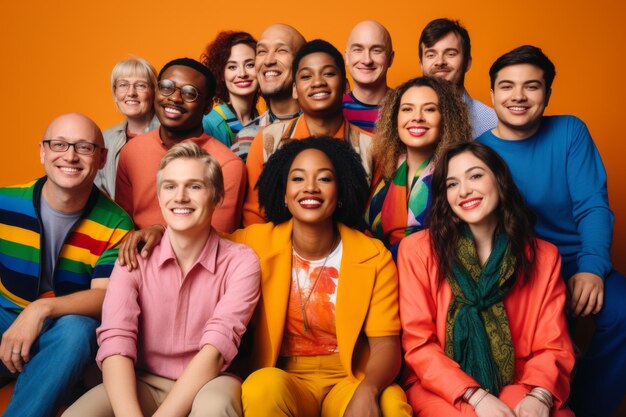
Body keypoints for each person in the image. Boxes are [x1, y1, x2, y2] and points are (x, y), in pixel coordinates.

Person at [476, 45, 626, 417]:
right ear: (492, 93)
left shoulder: (570, 131)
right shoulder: (479, 152)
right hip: (518, 269)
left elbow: (592, 203)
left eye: (532, 86)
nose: (518, 97)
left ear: (547, 94)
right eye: (507, 86)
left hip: (575, 260)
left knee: (623, 312)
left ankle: (589, 406)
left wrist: (592, 267)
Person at [63, 143, 260, 417]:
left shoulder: (241, 262)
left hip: (209, 382)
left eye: (194, 186)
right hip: (143, 380)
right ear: (159, 195)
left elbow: (216, 350)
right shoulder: (134, 256)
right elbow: (116, 341)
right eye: (170, 186)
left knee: (214, 408)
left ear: (216, 197)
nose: (180, 197)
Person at [228, 137, 412, 417]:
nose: (310, 187)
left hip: (349, 377)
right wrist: (155, 231)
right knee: (260, 389)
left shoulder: (373, 254)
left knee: (391, 402)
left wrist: (368, 389)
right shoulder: (255, 243)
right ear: (283, 193)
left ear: (340, 192)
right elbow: (201, 242)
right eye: (298, 178)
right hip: (285, 377)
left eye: (324, 179)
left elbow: (386, 345)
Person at [398, 142, 575, 417]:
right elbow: (419, 344)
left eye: (475, 176)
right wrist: (477, 397)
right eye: (452, 184)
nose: (465, 190)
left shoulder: (543, 256)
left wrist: (540, 395)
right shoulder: (417, 251)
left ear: (500, 180)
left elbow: (553, 344)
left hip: (521, 378)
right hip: (440, 383)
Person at [0, 113, 133, 417]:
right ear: (42, 152)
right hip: (5, 317)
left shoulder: (117, 223)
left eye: (84, 147)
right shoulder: (5, 203)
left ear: (102, 158)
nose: (70, 156)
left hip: (60, 336)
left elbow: (105, 297)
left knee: (79, 329)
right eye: (59, 144)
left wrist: (40, 309)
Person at [115, 57, 246, 265]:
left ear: (207, 106)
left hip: (199, 270)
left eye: (189, 93)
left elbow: (218, 239)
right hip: (135, 264)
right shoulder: (132, 151)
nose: (175, 98)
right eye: (166, 87)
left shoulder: (227, 165)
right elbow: (121, 228)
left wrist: (160, 232)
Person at [243, 39, 374, 226]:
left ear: (345, 86)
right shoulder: (267, 141)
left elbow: (374, 221)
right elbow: (254, 215)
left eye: (328, 73)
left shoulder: (372, 148)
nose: (318, 82)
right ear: (295, 90)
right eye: (306, 76)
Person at [365, 76, 471, 259]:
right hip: (379, 271)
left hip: (434, 276)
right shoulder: (381, 168)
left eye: (430, 109)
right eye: (407, 109)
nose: (417, 118)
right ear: (394, 118)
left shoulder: (459, 173)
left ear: (446, 118)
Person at [232, 24, 306, 161]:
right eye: (262, 51)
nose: (268, 60)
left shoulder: (325, 126)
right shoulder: (246, 138)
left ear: (303, 63)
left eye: (281, 50)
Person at [419, 18, 497, 138]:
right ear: (421, 64)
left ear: (467, 63)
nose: (440, 62)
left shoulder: (492, 122)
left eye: (451, 54)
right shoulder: (404, 120)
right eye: (431, 55)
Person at [95, 57, 160, 198]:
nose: (131, 92)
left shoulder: (169, 135)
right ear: (115, 93)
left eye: (141, 85)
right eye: (123, 85)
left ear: (154, 92)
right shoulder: (104, 139)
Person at [200, 31, 259, 148]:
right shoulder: (208, 123)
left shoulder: (260, 119)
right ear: (221, 74)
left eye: (250, 65)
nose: (242, 73)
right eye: (232, 67)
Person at [343, 20, 394, 132]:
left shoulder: (406, 106)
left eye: (376, 50)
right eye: (358, 50)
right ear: (346, 57)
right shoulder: (332, 109)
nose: (367, 60)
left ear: (390, 59)